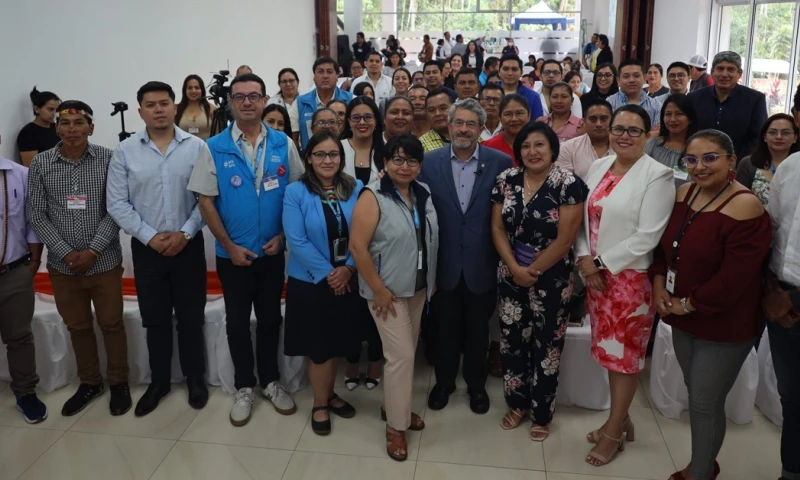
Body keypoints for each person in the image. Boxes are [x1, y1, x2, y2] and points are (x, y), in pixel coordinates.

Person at [650, 129, 770, 480]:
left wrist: (687, 304)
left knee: (703, 401)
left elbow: (734, 279)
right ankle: (705, 462)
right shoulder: (684, 192)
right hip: (682, 313)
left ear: (732, 161)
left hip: (724, 321)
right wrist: (658, 283)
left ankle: (700, 472)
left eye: (710, 158)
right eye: (691, 159)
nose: (699, 166)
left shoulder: (746, 205)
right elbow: (665, 248)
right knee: (700, 394)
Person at [188, 73, 304, 426]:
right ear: (231, 103)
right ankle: (243, 385)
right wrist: (228, 245)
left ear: (265, 99)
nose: (248, 102)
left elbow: (297, 196)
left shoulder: (283, 143)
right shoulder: (214, 146)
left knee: (270, 319)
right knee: (237, 323)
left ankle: (270, 381)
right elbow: (205, 201)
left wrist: (282, 237)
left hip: (271, 252)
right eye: (240, 97)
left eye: (254, 96)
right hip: (233, 256)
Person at [575, 104, 675, 466]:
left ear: (648, 134)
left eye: (634, 130)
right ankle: (622, 418)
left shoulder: (658, 175)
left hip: (629, 282)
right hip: (595, 277)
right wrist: (584, 260)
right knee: (608, 353)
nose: (624, 136)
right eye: (619, 129)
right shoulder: (600, 166)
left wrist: (600, 263)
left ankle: (614, 431)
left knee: (624, 359)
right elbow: (583, 221)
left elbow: (649, 235)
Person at [106, 81, 209, 416]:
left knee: (191, 319)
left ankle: (195, 379)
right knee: (155, 320)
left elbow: (206, 198)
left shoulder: (196, 147)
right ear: (140, 111)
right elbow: (117, 203)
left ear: (174, 107)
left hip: (188, 246)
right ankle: (159, 382)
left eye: (164, 103)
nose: (158, 110)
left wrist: (185, 233)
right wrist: (150, 237)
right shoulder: (125, 151)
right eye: (150, 105)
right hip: (147, 250)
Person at [27, 101, 132, 417]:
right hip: (63, 267)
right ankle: (90, 382)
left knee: (112, 324)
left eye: (79, 123)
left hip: (104, 262)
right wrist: (65, 252)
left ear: (91, 127)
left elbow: (117, 207)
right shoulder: (41, 163)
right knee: (78, 326)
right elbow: (37, 214)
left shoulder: (109, 159)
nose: (72, 129)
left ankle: (119, 383)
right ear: (56, 127)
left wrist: (93, 250)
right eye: (65, 123)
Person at [491, 122, 587, 442]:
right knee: (512, 342)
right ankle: (517, 404)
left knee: (547, 346)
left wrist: (530, 270)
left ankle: (542, 413)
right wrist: (514, 267)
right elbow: (497, 228)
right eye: (526, 146)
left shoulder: (568, 183)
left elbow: (566, 238)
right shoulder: (506, 179)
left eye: (539, 145)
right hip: (510, 272)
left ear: (552, 149)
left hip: (552, 276)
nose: (532, 151)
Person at [420, 99, 514, 414]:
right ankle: (444, 383)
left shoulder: (500, 162)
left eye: (470, 124)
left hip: (482, 263)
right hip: (443, 263)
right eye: (458, 123)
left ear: (481, 128)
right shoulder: (428, 162)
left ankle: (476, 386)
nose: (463, 129)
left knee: (478, 332)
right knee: (444, 330)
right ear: (449, 126)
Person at [350, 134, 439, 461]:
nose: (404, 166)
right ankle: (395, 427)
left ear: (420, 165)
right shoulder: (372, 195)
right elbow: (358, 248)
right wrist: (378, 289)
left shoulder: (423, 192)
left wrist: (431, 280)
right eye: (397, 159)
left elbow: (427, 238)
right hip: (386, 293)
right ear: (385, 162)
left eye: (412, 160)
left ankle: (394, 407)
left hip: (418, 287)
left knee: (405, 355)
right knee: (401, 356)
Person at [283, 130, 361, 436]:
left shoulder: (355, 188)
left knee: (337, 341)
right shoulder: (296, 192)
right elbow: (296, 240)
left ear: (341, 158)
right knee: (319, 347)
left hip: (348, 278)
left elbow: (366, 233)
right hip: (311, 282)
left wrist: (349, 269)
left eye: (333, 154)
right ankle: (319, 403)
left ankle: (329, 393)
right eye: (320, 154)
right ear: (308, 159)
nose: (327, 160)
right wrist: (331, 273)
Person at [0, 149, 47, 424]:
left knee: (19, 337)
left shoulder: (20, 175)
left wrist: (34, 262)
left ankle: (26, 392)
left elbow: (32, 222)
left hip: (14, 272)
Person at [764, 144, 800, 480]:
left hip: (792, 299)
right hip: (783, 302)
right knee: (792, 397)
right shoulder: (790, 167)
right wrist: (772, 290)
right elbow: (772, 230)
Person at [690, 51, 768, 160]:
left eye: (730, 70)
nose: (724, 74)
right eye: (720, 69)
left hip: (739, 163)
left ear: (739, 73)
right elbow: (690, 132)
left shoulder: (755, 99)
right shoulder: (695, 98)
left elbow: (758, 138)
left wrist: (735, 163)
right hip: (700, 161)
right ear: (712, 72)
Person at [736, 113, 799, 205]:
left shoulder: (797, 164)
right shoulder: (748, 163)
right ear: (765, 137)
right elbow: (737, 200)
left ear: (795, 137)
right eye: (773, 132)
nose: (779, 137)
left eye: (786, 133)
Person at [297, 57, 354, 149]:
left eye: (329, 72)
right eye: (320, 72)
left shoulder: (352, 100)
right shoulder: (299, 102)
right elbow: (294, 138)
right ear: (314, 77)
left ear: (337, 76)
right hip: (310, 155)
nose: (325, 76)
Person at [645, 94, 698, 187]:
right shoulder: (652, 145)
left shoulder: (698, 150)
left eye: (679, 114)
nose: (673, 119)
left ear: (690, 118)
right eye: (668, 114)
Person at [556, 98, 614, 180]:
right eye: (593, 119)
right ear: (584, 121)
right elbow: (564, 183)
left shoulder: (624, 147)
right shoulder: (567, 148)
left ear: (612, 121)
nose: (598, 124)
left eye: (604, 119)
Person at [341, 96, 385, 190]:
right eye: (356, 117)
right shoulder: (338, 148)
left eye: (368, 117)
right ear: (349, 121)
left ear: (376, 120)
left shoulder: (387, 150)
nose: (362, 122)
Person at [607, 59, 662, 130]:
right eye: (626, 76)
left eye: (636, 76)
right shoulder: (609, 103)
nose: (631, 80)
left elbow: (657, 133)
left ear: (644, 78)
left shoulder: (656, 106)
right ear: (618, 80)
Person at [17, 87, 60, 167]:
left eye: (56, 110)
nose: (54, 113)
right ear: (37, 109)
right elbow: (31, 167)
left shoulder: (56, 127)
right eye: (50, 109)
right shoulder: (28, 133)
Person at [483, 94, 530, 166]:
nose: (514, 119)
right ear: (500, 118)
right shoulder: (488, 147)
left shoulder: (539, 144)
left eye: (519, 113)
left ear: (529, 115)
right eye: (508, 114)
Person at [497, 54, 544, 120]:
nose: (510, 73)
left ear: (521, 72)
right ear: (499, 72)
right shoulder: (489, 94)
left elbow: (537, 123)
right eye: (505, 69)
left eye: (514, 69)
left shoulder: (533, 97)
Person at [175, 75, 217, 141]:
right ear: (185, 90)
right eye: (190, 88)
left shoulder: (211, 109)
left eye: (197, 88)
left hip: (206, 147)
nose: (193, 91)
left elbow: (218, 135)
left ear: (202, 90)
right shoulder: (176, 109)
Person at [267, 68, 301, 144]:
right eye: (284, 81)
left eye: (291, 80)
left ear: (297, 82)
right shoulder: (272, 102)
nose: (288, 84)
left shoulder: (304, 101)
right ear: (279, 84)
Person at [419, 88, 454, 152]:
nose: (437, 114)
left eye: (442, 108)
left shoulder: (468, 135)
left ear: (454, 108)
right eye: (431, 110)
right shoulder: (421, 145)